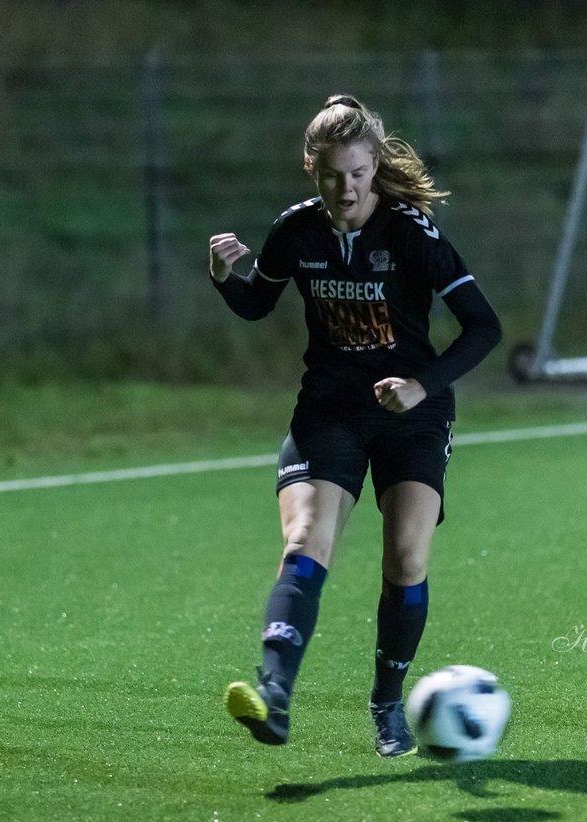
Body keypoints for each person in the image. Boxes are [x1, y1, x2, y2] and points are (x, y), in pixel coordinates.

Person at [209, 94, 502, 757]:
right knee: (306, 541)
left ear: (375, 168)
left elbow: (484, 327)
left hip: (413, 415)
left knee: (406, 557)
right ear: (312, 169)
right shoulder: (296, 230)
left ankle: (387, 705)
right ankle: (274, 698)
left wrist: (421, 385)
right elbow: (259, 301)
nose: (347, 189)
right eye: (333, 176)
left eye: (359, 175)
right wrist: (226, 279)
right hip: (332, 408)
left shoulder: (410, 234)